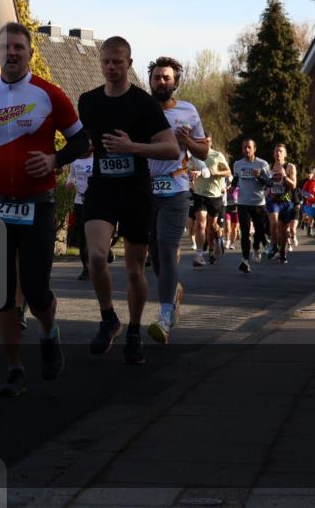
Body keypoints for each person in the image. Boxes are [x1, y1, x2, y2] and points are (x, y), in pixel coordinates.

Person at [0, 22, 91, 396]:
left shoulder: (49, 94)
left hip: (38, 202)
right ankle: (14, 368)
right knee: (1, 293)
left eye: (19, 47)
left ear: (29, 53)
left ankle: (50, 333)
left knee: (35, 290)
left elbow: (82, 140)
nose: (12, 53)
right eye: (6, 48)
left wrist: (55, 159)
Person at [78, 37, 179, 365]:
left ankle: (134, 330)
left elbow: (171, 149)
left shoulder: (143, 103)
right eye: (106, 62)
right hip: (102, 189)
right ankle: (109, 319)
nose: (111, 67)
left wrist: (133, 147)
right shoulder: (88, 101)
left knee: (134, 270)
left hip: (136, 191)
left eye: (117, 62)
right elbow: (83, 141)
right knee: (95, 257)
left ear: (129, 64)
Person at [145, 57, 208, 345]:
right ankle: (174, 290)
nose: (161, 82)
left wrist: (189, 141)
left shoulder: (188, 111)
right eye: (157, 77)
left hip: (177, 189)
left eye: (166, 78)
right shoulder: (141, 109)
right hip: (146, 191)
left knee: (167, 249)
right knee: (156, 259)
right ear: (150, 81)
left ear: (176, 82)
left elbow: (203, 152)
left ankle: (166, 317)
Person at [232, 139, 273, 274]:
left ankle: (256, 246)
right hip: (243, 203)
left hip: (258, 203)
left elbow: (270, 183)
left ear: (254, 149)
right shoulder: (237, 164)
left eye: (249, 147)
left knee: (260, 231)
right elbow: (236, 179)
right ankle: (245, 260)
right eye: (244, 148)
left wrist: (260, 176)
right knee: (244, 233)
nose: (246, 150)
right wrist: (231, 188)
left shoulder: (262, 164)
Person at [190, 133, 231, 266]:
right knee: (201, 223)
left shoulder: (217, 155)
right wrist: (192, 174)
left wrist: (216, 173)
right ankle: (199, 255)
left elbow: (228, 172)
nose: (205, 144)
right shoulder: (194, 156)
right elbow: (189, 170)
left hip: (214, 195)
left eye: (207, 141)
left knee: (212, 226)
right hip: (199, 193)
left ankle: (219, 239)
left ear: (211, 142)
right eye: (203, 142)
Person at [265, 144, 297, 264]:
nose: (278, 153)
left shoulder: (290, 167)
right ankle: (273, 246)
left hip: (286, 199)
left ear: (285, 154)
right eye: (276, 151)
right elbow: (266, 184)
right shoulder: (269, 167)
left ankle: (283, 251)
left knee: (284, 230)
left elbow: (293, 185)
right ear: (273, 153)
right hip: (273, 200)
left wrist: (284, 176)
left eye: (281, 151)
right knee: (274, 223)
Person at [66, 153, 94, 279]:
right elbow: (71, 177)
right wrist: (69, 183)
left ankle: (106, 248)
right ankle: (86, 268)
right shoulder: (75, 161)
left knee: (96, 231)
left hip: (95, 202)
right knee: (83, 236)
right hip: (80, 202)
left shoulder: (97, 158)